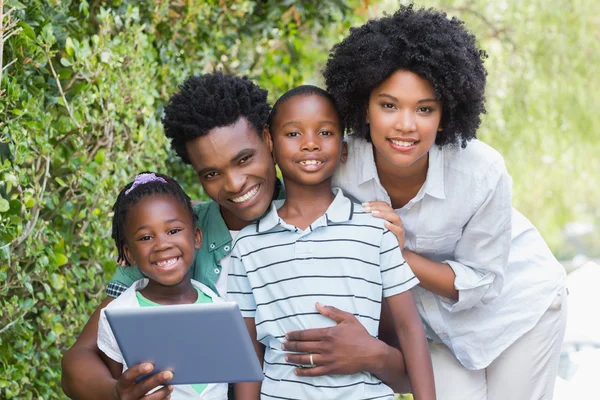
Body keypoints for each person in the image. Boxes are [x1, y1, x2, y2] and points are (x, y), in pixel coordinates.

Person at [61, 73, 410, 400]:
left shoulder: (337, 227)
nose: (234, 183)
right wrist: (117, 392)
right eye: (211, 173)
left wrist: (372, 356)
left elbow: (407, 370)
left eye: (244, 159)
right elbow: (81, 357)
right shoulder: (172, 237)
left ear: (269, 140)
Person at [324, 5, 568, 400]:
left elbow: (484, 284)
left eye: (425, 109)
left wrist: (398, 253)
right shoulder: (341, 167)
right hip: (434, 327)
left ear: (446, 114)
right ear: (363, 106)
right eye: (388, 105)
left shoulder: (481, 170)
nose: (406, 124)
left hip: (518, 307)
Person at [228, 85, 435, 400]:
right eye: (294, 134)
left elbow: (410, 330)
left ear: (343, 148)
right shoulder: (247, 246)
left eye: (325, 133)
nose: (310, 144)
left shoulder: (375, 232)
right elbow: (249, 357)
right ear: (269, 141)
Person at [97, 172, 227, 399]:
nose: (162, 245)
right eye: (146, 237)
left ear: (197, 237)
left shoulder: (218, 307)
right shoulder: (117, 315)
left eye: (173, 231)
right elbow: (117, 385)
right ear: (129, 254)